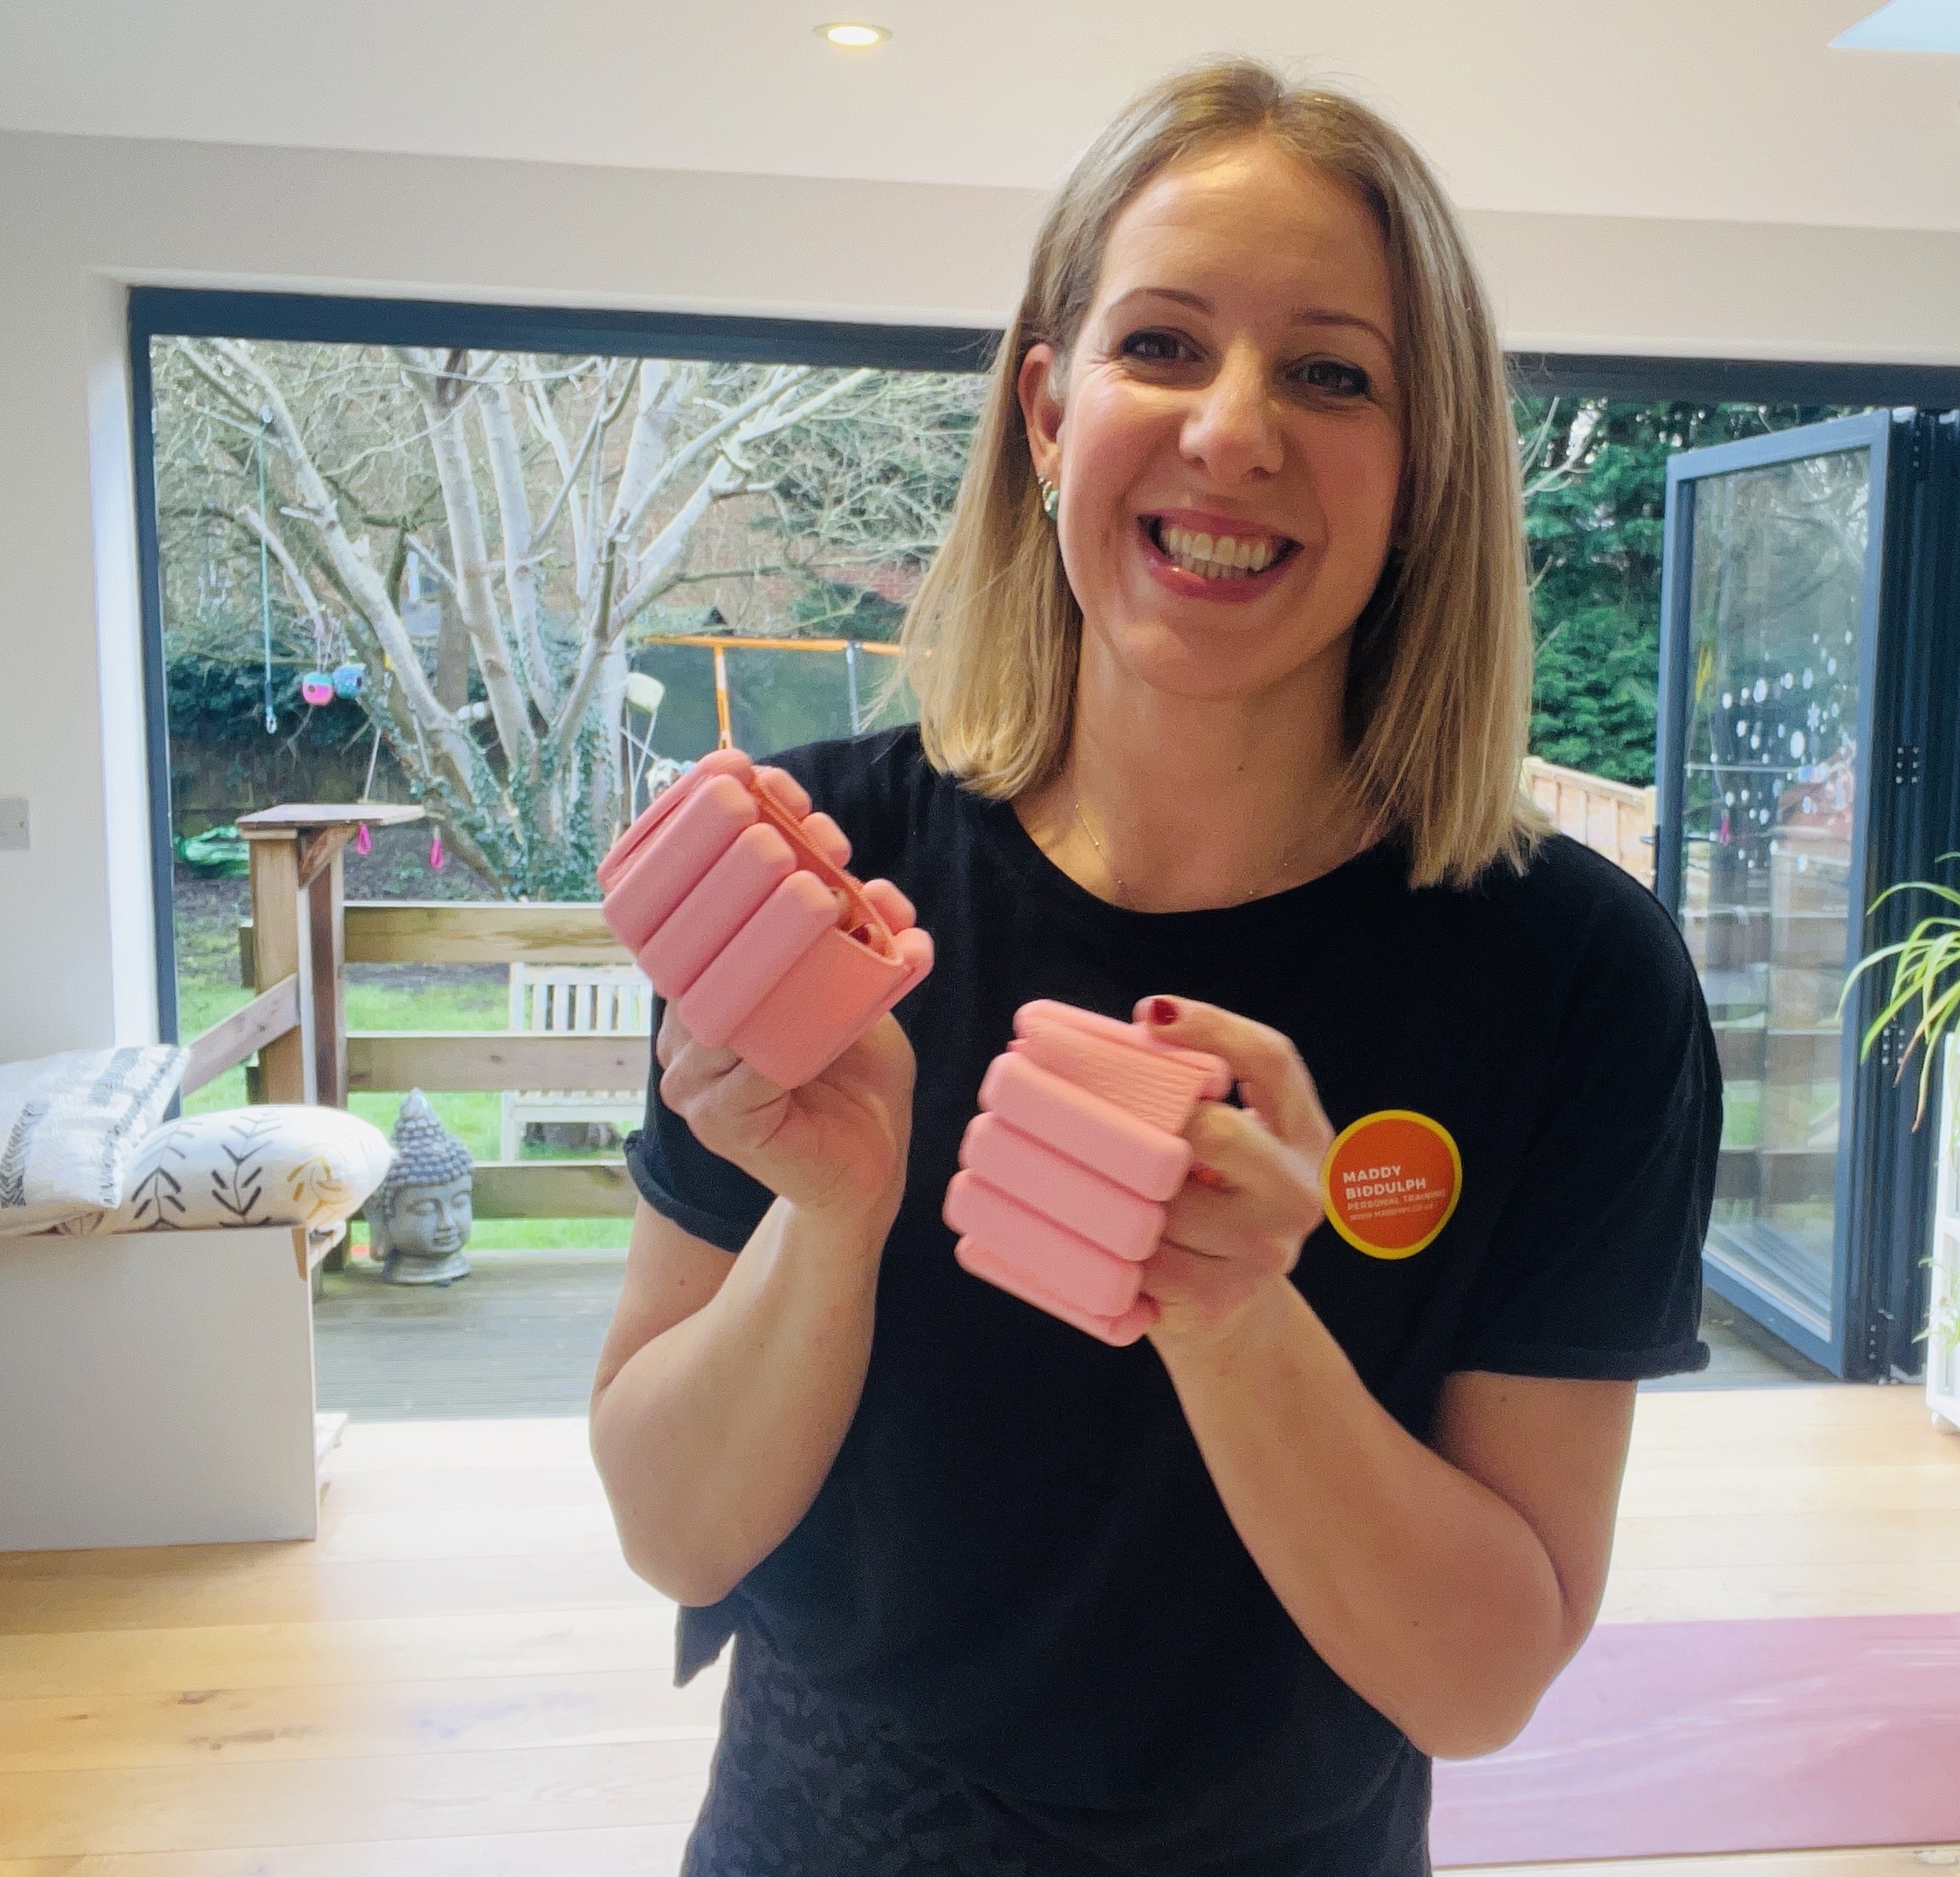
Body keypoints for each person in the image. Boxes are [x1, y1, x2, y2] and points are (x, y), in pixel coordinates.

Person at [590, 57, 1718, 1877]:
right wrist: (830, 1216)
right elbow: (672, 1530)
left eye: (1334, 373)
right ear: (1048, 410)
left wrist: (1231, 1312)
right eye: (1165, 347)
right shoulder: (817, 877)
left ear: (1422, 469)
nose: (1234, 431)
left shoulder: (1575, 977)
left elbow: (1481, 1678)